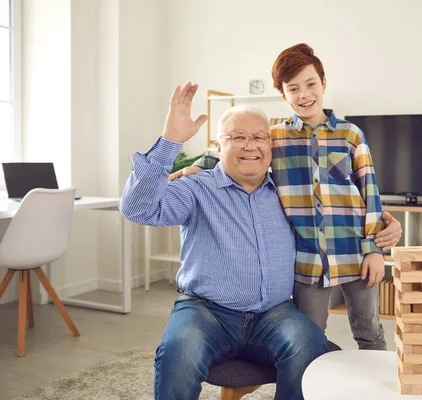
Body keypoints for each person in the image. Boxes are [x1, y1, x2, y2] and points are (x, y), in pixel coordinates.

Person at [171, 43, 402, 351]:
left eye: (310, 84)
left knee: (369, 330)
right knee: (309, 336)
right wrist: (198, 166)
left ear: (323, 83)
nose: (304, 94)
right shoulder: (276, 136)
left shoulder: (351, 135)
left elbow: (370, 193)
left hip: (356, 253)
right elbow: (233, 151)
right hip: (306, 262)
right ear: (283, 94)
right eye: (293, 88)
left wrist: (374, 250)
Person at [119, 82, 328, 400]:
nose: (251, 146)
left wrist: (384, 222)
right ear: (218, 145)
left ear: (271, 147)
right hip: (206, 311)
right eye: (238, 137)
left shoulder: (289, 192)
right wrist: (170, 141)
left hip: (274, 313)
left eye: (260, 137)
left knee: (309, 341)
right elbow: (137, 208)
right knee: (178, 352)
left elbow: (345, 214)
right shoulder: (196, 187)